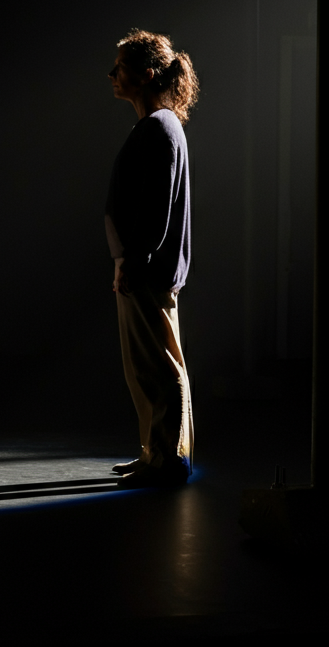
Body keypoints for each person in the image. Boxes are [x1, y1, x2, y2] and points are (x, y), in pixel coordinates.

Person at [106, 29, 198, 488]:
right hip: (143, 269)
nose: (112, 75)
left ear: (145, 75)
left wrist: (132, 262)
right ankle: (155, 454)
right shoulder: (156, 125)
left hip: (147, 272)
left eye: (120, 67)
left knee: (160, 369)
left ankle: (167, 460)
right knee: (145, 369)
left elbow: (156, 210)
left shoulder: (161, 126)